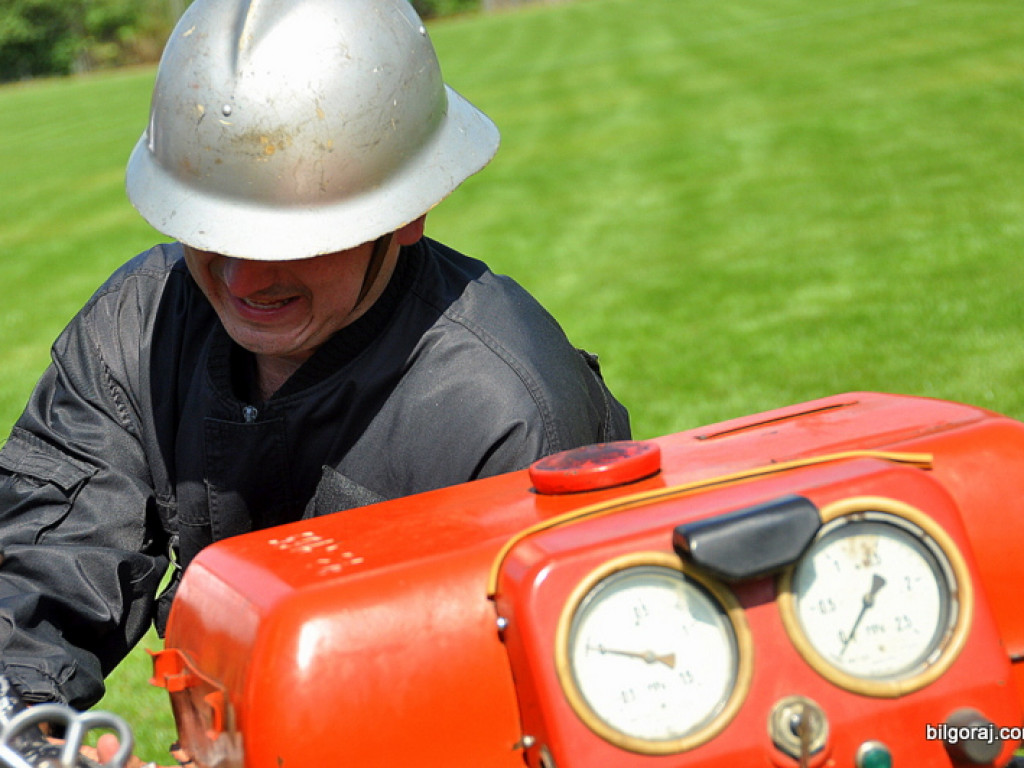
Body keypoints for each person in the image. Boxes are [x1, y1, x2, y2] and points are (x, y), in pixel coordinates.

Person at [0, 0, 629, 730]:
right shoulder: (138, 328)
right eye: (211, 236)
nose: (239, 283)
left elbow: (548, 707)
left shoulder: (508, 413)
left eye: (288, 243)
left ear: (406, 217)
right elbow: (40, 568)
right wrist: (23, 722)